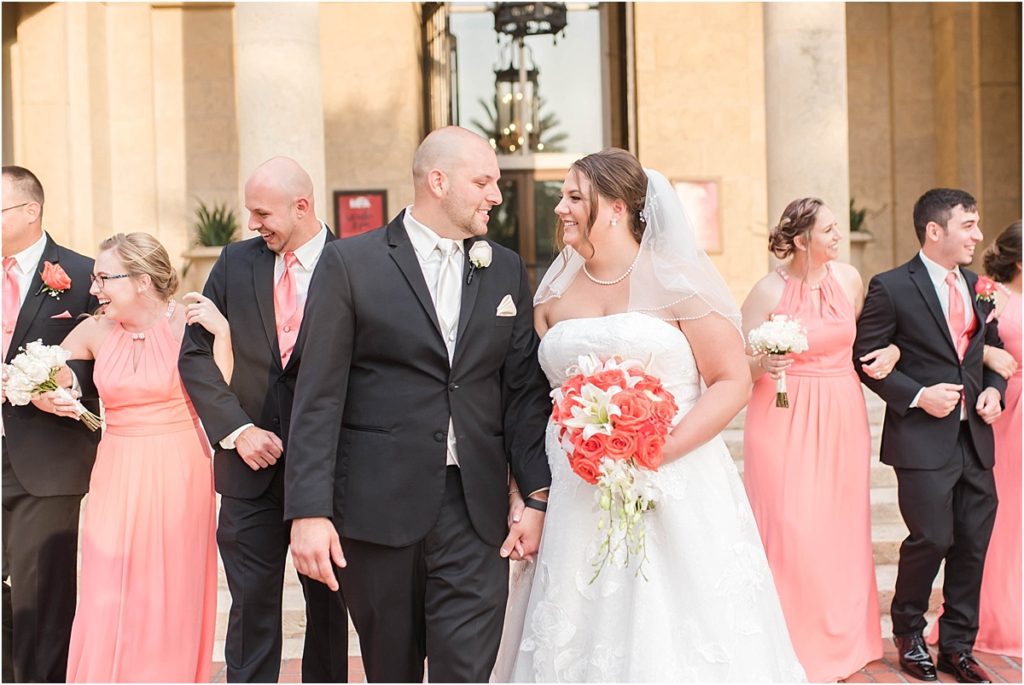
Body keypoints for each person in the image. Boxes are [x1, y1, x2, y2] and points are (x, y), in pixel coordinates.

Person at [494, 149, 805, 682]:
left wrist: (658, 451)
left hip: (670, 480)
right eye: (562, 197)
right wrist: (526, 495)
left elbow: (730, 380)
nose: (560, 209)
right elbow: (530, 398)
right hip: (575, 489)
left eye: (574, 197)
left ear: (616, 207)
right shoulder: (552, 291)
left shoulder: (678, 282)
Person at [284, 126, 552, 683]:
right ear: (438, 181)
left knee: (467, 670)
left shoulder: (504, 268)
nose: (495, 195)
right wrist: (309, 511)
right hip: (376, 508)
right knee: (392, 669)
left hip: (475, 511)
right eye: (483, 181)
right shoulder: (350, 264)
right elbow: (317, 395)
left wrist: (535, 494)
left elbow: (522, 391)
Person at [179, 157, 348, 683]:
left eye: (261, 212)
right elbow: (194, 356)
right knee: (250, 611)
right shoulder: (234, 263)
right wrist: (238, 430)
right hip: (248, 474)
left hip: (331, 474)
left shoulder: (356, 262)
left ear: (302, 207)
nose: (253, 223)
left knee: (328, 613)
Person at [32, 233, 217, 681]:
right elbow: (43, 375)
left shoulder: (187, 325)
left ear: (140, 280)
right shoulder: (95, 329)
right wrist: (55, 396)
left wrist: (224, 332)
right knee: (106, 584)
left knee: (169, 587)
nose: (93, 289)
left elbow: (223, 392)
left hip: (180, 468)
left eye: (102, 278)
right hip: (116, 467)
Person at [740, 198, 898, 680]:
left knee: (839, 525)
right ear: (802, 239)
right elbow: (735, 363)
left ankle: (843, 640)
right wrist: (764, 363)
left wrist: (891, 350)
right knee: (789, 524)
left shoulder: (848, 280)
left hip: (840, 411)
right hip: (781, 411)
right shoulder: (767, 290)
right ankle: (786, 637)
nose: (838, 236)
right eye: (829, 230)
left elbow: (867, 341)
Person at [854, 188, 1006, 683]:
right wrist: (918, 395)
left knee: (973, 543)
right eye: (969, 225)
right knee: (932, 538)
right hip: (921, 439)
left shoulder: (979, 286)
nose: (978, 235)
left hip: (976, 438)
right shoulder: (892, 286)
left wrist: (995, 391)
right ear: (934, 231)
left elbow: (992, 349)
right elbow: (867, 359)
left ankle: (957, 645)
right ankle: (909, 632)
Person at [1, 165, 100, 683]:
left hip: (48, 455)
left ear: (29, 211)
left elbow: (109, 355)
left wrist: (64, 381)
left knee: (44, 592)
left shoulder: (84, 275)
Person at [927, 220, 1021, 658]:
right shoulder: (990, 294)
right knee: (1004, 518)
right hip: (1006, 414)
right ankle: (997, 614)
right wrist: (988, 354)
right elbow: (959, 344)